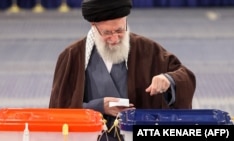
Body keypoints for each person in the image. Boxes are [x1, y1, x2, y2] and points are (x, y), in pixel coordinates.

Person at [49, 0, 196, 140]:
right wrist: (98, 107)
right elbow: (58, 111)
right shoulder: (72, 56)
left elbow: (184, 76)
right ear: (93, 26)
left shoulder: (147, 49)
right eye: (107, 33)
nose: (114, 38)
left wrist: (168, 80)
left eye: (119, 30)